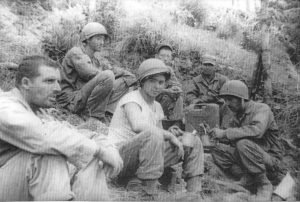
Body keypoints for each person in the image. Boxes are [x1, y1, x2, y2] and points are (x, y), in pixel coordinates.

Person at [0, 55, 123, 200]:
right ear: (26, 83)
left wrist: (107, 149)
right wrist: (99, 150)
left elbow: (76, 135)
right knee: (51, 153)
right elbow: (45, 137)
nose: (58, 88)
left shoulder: (40, 112)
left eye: (58, 82)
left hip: (17, 185)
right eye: (49, 81)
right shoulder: (5, 106)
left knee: (88, 156)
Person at [108, 58, 204, 199]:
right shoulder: (131, 99)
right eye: (152, 81)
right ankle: (148, 193)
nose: (157, 86)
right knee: (153, 135)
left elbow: (159, 137)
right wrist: (168, 136)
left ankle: (194, 193)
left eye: (161, 82)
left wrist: (171, 133)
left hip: (145, 159)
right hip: (120, 157)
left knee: (192, 140)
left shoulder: (157, 106)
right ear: (142, 81)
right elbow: (138, 125)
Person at [210, 80, 287, 201]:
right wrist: (216, 136)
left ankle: (263, 184)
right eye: (226, 100)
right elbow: (231, 140)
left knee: (243, 144)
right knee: (216, 149)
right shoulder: (236, 115)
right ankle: (248, 178)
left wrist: (225, 133)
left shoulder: (262, 109)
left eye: (231, 99)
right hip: (248, 157)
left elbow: (257, 131)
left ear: (242, 98)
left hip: (270, 159)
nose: (227, 103)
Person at [57, 22, 136, 123]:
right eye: (98, 38)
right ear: (87, 39)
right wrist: (110, 74)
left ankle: (107, 113)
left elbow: (112, 70)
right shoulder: (76, 52)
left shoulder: (96, 59)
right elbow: (89, 73)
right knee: (108, 76)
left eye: (103, 39)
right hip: (71, 100)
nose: (102, 42)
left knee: (124, 82)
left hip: (84, 97)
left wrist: (129, 76)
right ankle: (93, 115)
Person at [155, 44, 184, 120]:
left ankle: (176, 121)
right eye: (163, 56)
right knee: (167, 97)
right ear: (156, 57)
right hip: (149, 99)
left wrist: (176, 88)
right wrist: (167, 91)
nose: (165, 59)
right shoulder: (150, 68)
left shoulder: (168, 70)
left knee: (179, 97)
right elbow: (147, 90)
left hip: (161, 97)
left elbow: (176, 84)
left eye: (168, 56)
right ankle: (157, 118)